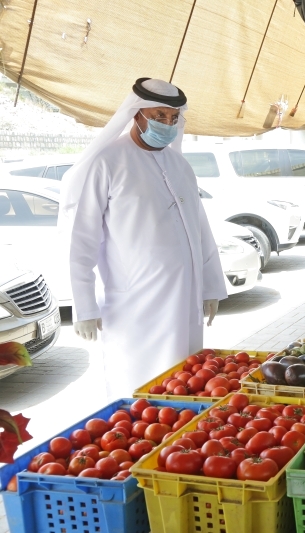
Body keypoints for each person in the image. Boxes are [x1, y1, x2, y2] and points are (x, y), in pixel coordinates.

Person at [60, 78, 228, 398]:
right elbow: (82, 240)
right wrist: (84, 307)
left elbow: (201, 230)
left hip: (186, 299)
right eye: (159, 116)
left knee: (185, 382)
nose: (167, 124)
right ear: (136, 114)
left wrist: (211, 287)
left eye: (173, 118)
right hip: (135, 307)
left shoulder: (180, 165)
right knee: (137, 390)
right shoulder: (107, 162)